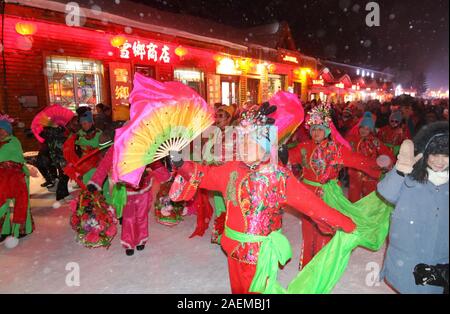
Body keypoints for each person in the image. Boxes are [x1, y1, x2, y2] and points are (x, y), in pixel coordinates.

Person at [169, 99, 357, 294]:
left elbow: (313, 205)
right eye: (240, 142)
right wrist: (182, 164)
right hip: (233, 248)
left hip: (260, 254)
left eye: (248, 143)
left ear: (264, 146)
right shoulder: (231, 169)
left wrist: (347, 224)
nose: (241, 147)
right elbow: (205, 175)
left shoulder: (277, 176)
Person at [289, 104, 382, 268]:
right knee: (309, 229)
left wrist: (380, 166)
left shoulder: (336, 149)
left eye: (320, 128)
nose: (316, 132)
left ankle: (322, 266)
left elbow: (358, 161)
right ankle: (307, 266)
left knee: (325, 230)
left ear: (327, 130)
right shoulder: (303, 148)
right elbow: (287, 159)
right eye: (314, 128)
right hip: (308, 195)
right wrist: (278, 154)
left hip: (328, 195)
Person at [377, 121, 449, 294]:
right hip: (408, 255)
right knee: (410, 288)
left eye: (446, 155)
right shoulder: (410, 178)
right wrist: (400, 171)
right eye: (434, 154)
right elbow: (386, 192)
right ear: (425, 154)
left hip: (441, 257)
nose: (440, 161)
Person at [87, 145, 169, 256]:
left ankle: (141, 239)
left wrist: (165, 175)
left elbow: (156, 163)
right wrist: (95, 181)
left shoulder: (145, 144)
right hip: (127, 190)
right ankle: (128, 243)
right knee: (129, 218)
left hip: (144, 188)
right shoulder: (118, 145)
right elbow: (105, 164)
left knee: (141, 216)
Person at [346, 112, 395, 202]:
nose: (364, 130)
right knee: (353, 198)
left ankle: (367, 215)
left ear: (371, 130)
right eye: (363, 127)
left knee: (369, 199)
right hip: (355, 173)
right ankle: (353, 215)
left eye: (367, 129)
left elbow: (386, 153)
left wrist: (386, 164)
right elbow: (344, 152)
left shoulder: (374, 141)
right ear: (359, 127)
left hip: (370, 174)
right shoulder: (352, 139)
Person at [0, 114, 33, 243]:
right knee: (3, 204)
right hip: (3, 178)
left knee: (21, 203)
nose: (1, 133)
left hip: (17, 177)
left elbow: (5, 156)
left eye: (3, 130)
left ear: (8, 131)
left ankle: (22, 229)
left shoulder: (13, 142)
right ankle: (4, 230)